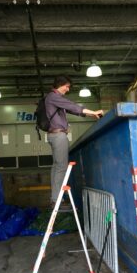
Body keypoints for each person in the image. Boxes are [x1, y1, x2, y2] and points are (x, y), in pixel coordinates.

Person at [45, 75, 103, 208]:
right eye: (67, 86)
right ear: (61, 85)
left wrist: (92, 114)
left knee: (56, 167)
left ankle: (54, 198)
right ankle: (56, 200)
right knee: (61, 167)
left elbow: (76, 112)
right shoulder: (54, 97)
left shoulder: (53, 99)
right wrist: (94, 111)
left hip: (54, 135)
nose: (68, 89)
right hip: (58, 136)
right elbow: (74, 107)